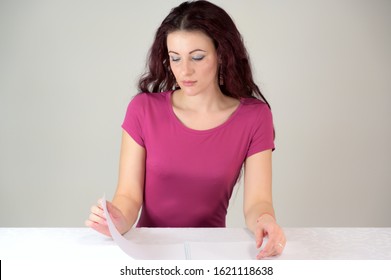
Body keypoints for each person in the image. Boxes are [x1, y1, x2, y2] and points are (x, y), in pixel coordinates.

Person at [86, 0, 285, 259]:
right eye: (175, 58)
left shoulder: (254, 117)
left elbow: (258, 201)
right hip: (148, 253)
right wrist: (116, 220)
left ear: (222, 54)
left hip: (212, 255)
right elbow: (127, 196)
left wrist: (265, 221)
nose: (185, 70)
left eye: (197, 57)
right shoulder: (143, 110)